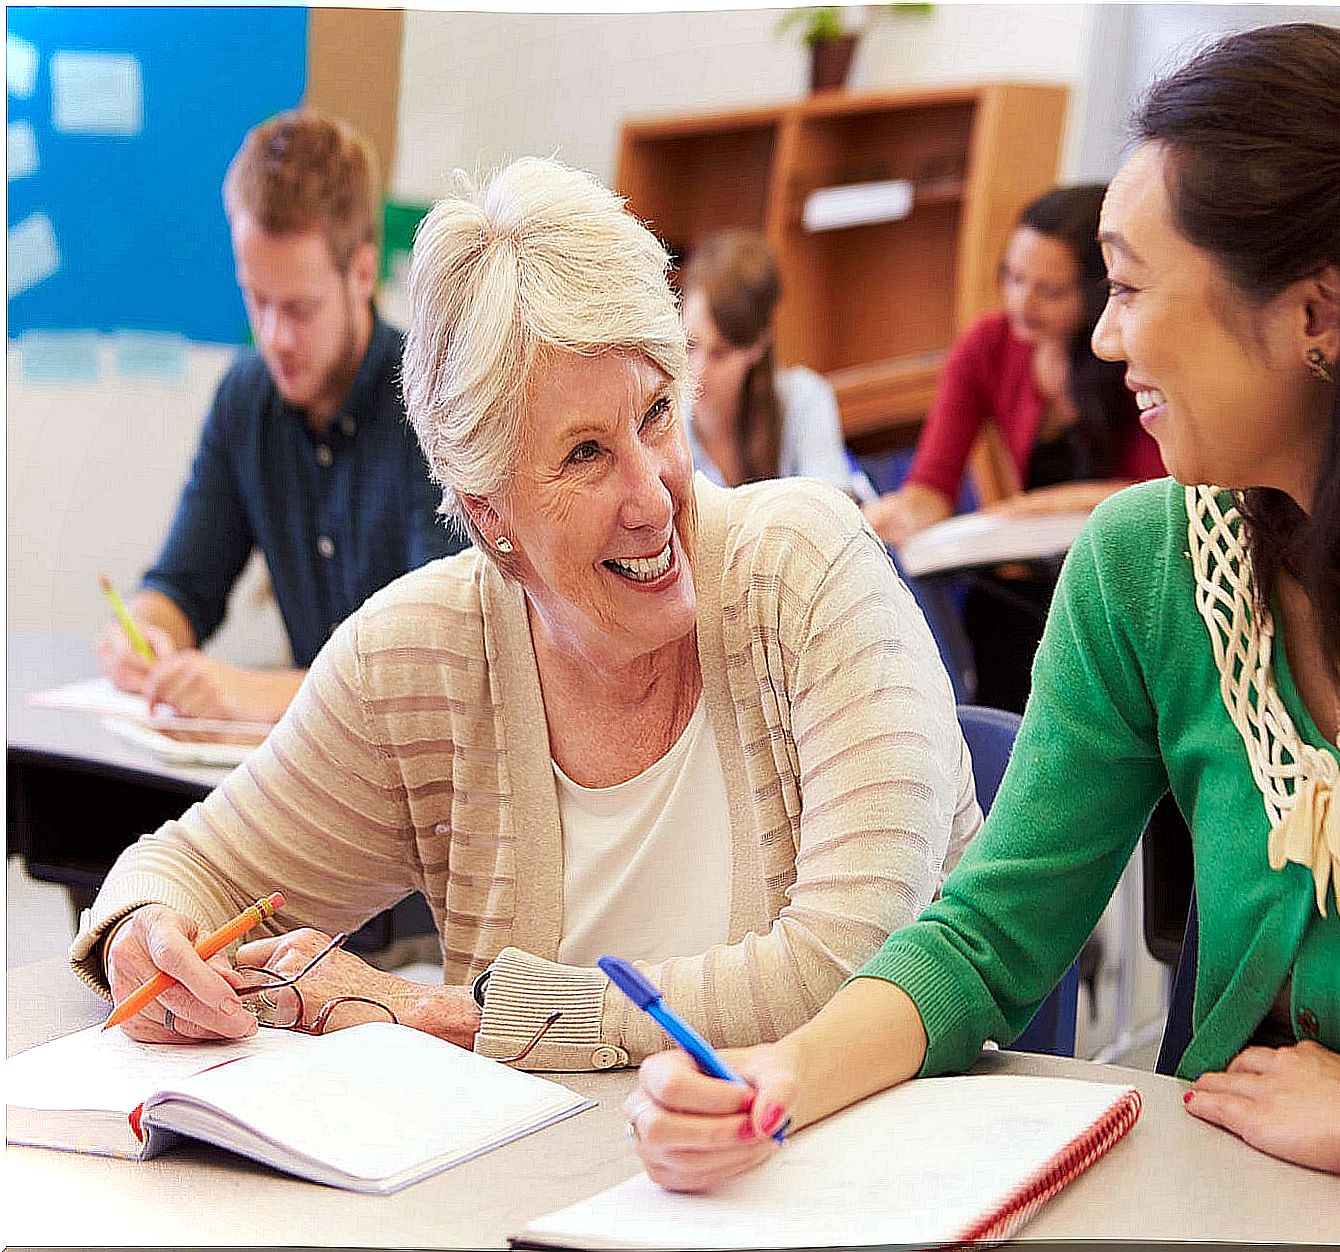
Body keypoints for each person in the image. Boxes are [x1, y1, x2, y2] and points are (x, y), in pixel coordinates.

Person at [623, 25, 1340, 1245]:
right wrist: (781, 1079)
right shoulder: (1148, 567)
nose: (1102, 340)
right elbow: (985, 942)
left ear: (1315, 312)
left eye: (1125, 284)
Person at [68, 157, 980, 1071]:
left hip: (851, 1184)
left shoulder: (808, 568)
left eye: (657, 414)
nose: (654, 497)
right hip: (548, 1190)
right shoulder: (422, 656)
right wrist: (144, 936)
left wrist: (453, 1019)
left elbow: (853, 971)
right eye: (585, 453)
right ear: (487, 509)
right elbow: (188, 869)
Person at [94, 111, 462, 724]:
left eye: (299, 308)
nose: (275, 337)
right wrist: (148, 630)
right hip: (310, 769)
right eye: (256, 300)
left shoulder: (435, 404)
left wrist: (251, 695)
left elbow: (430, 670)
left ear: (362, 274)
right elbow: (186, 583)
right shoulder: (245, 400)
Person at [863, 185, 1165, 711]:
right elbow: (932, 485)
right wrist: (897, 514)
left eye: (1049, 291)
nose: (1020, 302)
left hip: (1125, 579)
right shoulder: (987, 345)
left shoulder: (1134, 353)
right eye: (1013, 277)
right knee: (991, 618)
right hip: (1029, 584)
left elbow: (1155, 490)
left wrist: (1026, 507)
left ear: (1098, 293)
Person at [680, 229, 854, 493]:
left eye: (721, 353)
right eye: (690, 345)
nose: (698, 370)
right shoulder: (663, 420)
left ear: (758, 344)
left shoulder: (804, 398)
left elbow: (833, 507)